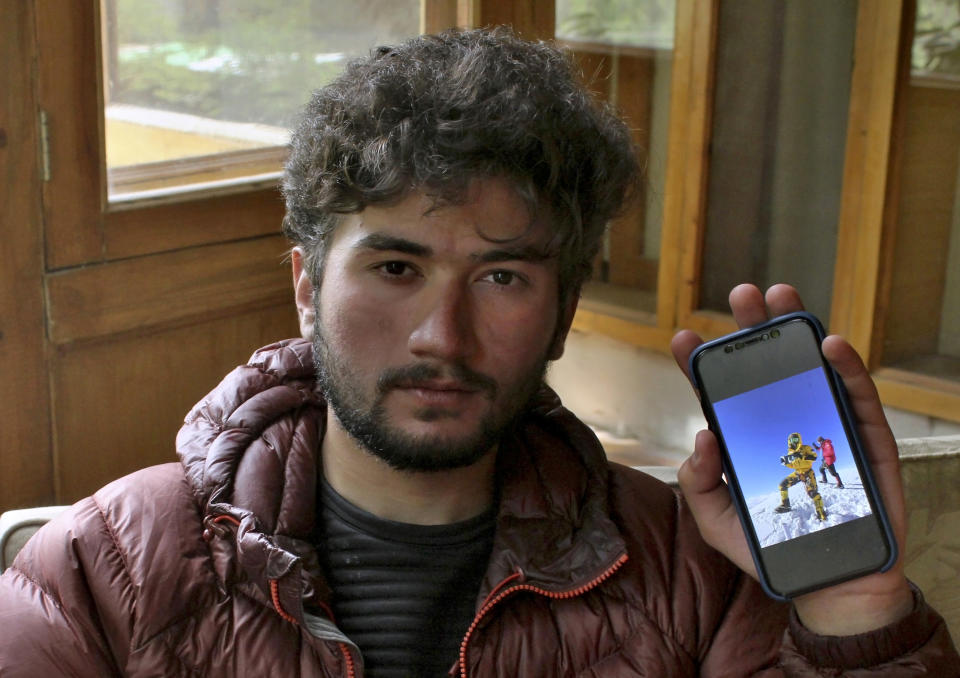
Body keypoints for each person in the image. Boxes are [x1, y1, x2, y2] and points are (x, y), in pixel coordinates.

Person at [0, 28, 957, 677]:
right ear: (305, 284)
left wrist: (853, 610)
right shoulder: (106, 563)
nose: (441, 338)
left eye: (503, 277)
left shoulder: (691, 578)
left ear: (565, 308)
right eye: (394, 267)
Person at [774, 432, 827, 520]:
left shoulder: (806, 448)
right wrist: (786, 463)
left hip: (808, 473)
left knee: (812, 493)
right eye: (791, 440)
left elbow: (814, 457)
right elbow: (792, 465)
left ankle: (821, 512)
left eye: (795, 439)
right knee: (782, 485)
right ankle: (786, 506)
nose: (793, 441)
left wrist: (801, 456)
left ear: (799, 439)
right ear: (789, 441)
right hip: (798, 473)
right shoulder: (790, 453)